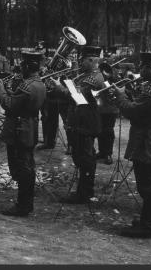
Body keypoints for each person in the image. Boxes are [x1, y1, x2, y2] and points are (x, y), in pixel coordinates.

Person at [109, 51, 151, 238]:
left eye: (143, 67)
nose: (139, 70)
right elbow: (145, 107)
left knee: (148, 187)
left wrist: (121, 96)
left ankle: (146, 226)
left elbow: (132, 111)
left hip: (148, 142)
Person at [0, 49, 46, 216]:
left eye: (23, 64)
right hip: (29, 129)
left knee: (22, 168)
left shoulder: (27, 86)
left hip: (19, 130)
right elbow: (17, 101)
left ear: (29, 65)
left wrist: (0, 89)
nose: (21, 66)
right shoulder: (39, 83)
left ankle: (23, 206)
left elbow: (9, 105)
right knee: (27, 166)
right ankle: (25, 204)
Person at [52, 45, 104, 204]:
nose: (80, 63)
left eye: (82, 60)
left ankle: (85, 193)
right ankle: (83, 191)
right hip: (80, 121)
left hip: (86, 122)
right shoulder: (87, 75)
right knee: (81, 157)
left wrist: (59, 87)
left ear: (91, 60)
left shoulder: (93, 78)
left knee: (85, 158)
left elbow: (76, 96)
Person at [96, 50, 121, 165]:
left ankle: (108, 154)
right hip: (101, 107)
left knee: (108, 131)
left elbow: (118, 84)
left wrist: (113, 75)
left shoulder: (116, 71)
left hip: (111, 109)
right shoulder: (102, 67)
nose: (109, 57)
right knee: (100, 130)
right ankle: (101, 151)